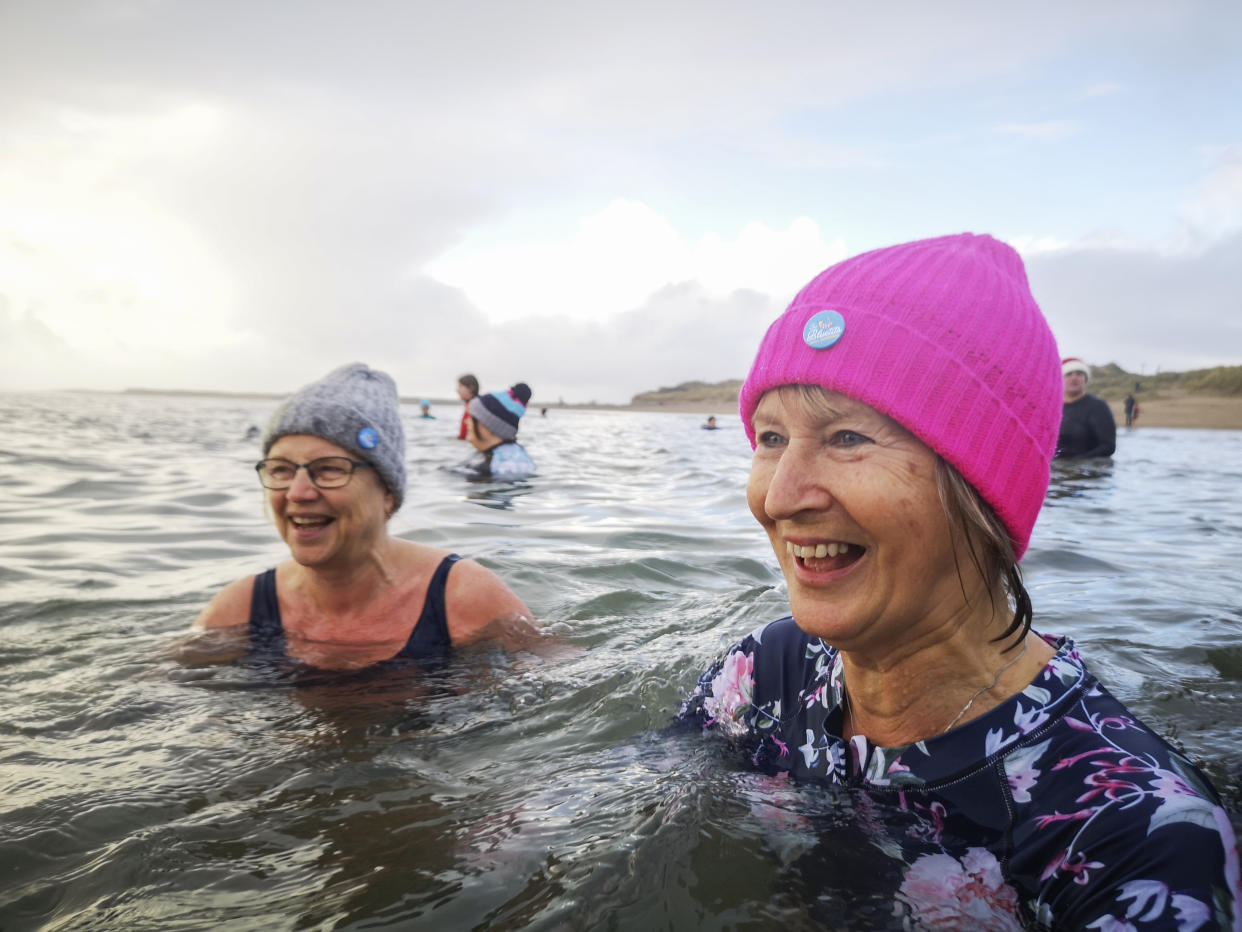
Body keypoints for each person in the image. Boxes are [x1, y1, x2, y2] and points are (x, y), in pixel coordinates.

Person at [678, 234, 1238, 930]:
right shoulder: (765, 671)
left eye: (848, 437)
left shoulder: (1135, 835)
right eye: (769, 439)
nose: (780, 495)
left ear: (984, 488)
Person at [193, 363, 538, 669]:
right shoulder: (239, 611)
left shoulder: (466, 600)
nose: (297, 492)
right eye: (281, 469)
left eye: (329, 469)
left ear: (387, 493)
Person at [460, 383, 536, 480]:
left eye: (471, 417)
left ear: (487, 425)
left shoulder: (508, 466)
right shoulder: (492, 455)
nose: (467, 422)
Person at [1056, 357, 1116, 458]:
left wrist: (1076, 463)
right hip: (1059, 468)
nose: (1074, 378)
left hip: (1087, 468)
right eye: (1068, 374)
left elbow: (1108, 446)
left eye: (1079, 374)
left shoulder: (1098, 406)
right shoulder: (1054, 408)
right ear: (1060, 379)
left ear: (1085, 379)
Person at [456, 374, 479, 440]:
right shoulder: (470, 405)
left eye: (460, 386)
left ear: (471, 388)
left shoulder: (475, 407)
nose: (457, 390)